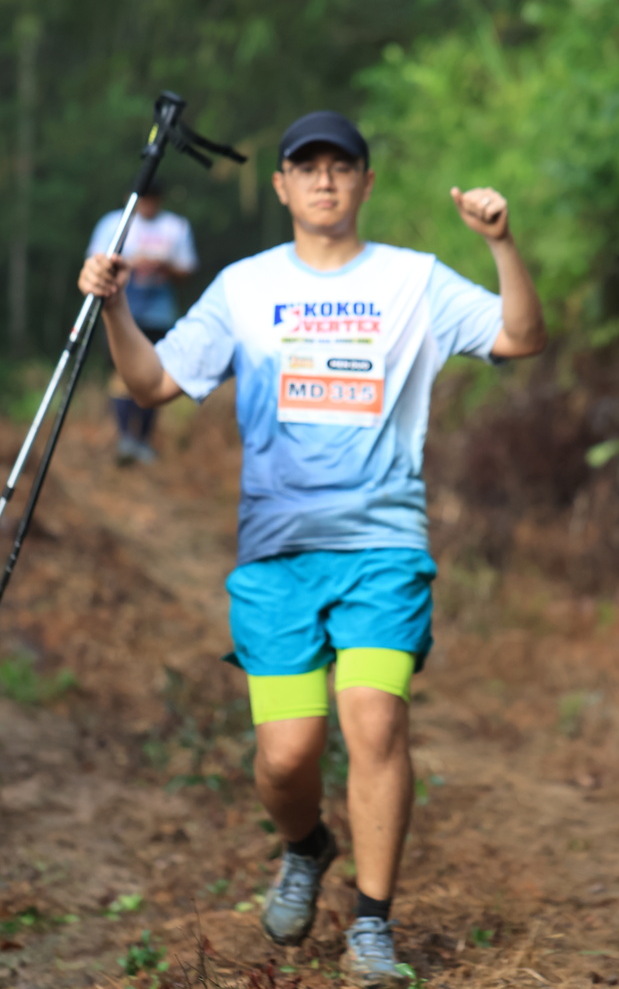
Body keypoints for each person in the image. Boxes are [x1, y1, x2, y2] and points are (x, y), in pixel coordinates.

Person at [78, 111, 546, 987]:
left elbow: (520, 336)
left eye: (341, 165)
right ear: (282, 185)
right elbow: (151, 382)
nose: (325, 179)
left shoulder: (413, 280)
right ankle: (306, 844)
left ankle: (373, 924)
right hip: (277, 553)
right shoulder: (245, 286)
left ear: (366, 181)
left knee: (375, 721)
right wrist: (112, 305)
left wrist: (501, 244)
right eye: (307, 166)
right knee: (286, 757)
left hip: (382, 545)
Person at [86, 180, 199, 464]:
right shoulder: (113, 223)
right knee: (120, 374)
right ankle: (127, 438)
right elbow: (94, 262)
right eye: (142, 199)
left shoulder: (175, 226)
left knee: (155, 373)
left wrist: (163, 266)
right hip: (120, 308)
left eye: (152, 199)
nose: (147, 205)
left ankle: (142, 441)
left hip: (158, 312)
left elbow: (187, 268)